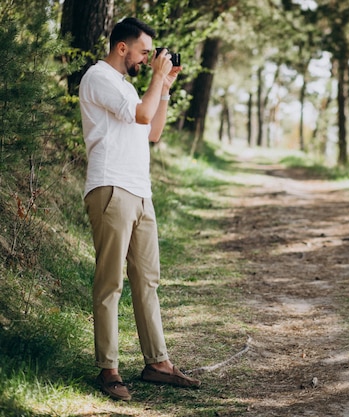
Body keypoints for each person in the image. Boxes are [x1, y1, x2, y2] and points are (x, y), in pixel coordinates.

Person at [79, 17, 200, 401]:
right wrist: (154, 83)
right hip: (111, 187)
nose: (148, 58)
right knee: (110, 282)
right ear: (122, 48)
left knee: (147, 281)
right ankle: (109, 369)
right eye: (144, 52)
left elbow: (152, 131)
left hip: (139, 191)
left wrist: (163, 88)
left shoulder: (129, 88)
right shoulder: (98, 77)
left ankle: (157, 363)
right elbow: (142, 116)